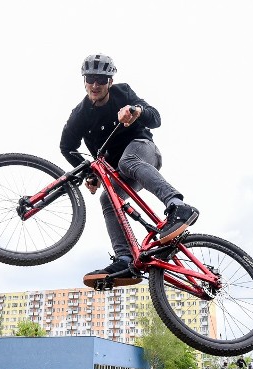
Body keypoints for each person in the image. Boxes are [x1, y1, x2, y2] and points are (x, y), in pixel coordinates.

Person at [60, 54, 198, 287]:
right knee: (107, 199)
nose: (96, 85)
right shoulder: (80, 115)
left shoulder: (122, 94)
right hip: (119, 170)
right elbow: (67, 147)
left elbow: (156, 118)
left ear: (110, 82)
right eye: (91, 79)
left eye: (102, 80)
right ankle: (125, 259)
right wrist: (91, 174)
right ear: (84, 81)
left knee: (128, 161)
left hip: (143, 152)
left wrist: (136, 110)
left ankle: (178, 206)